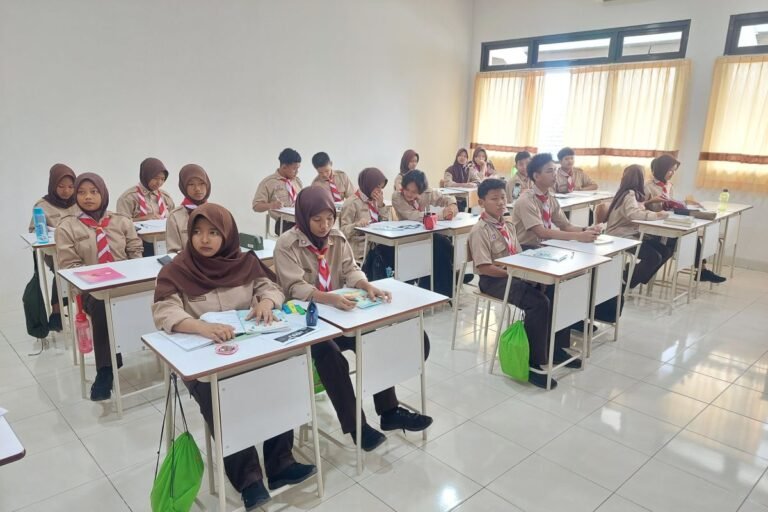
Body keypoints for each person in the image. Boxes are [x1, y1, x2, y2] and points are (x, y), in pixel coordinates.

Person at [152, 203, 316, 510]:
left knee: (281, 380)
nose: (204, 239)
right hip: (204, 359)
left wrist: (266, 302)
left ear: (227, 235)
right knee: (222, 397)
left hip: (248, 349)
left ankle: (281, 464)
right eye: (197, 232)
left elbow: (272, 287)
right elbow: (164, 311)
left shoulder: (245, 262)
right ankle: (249, 479)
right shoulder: (176, 270)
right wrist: (200, 326)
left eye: (214, 232)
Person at [274, 187, 433, 451]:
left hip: (340, 316)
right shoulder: (286, 244)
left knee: (373, 341)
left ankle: (389, 411)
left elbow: (350, 269)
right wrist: (329, 299)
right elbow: (294, 288)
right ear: (303, 217)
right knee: (331, 356)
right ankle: (357, 427)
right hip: (308, 323)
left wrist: (366, 285)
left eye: (329, 218)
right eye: (317, 220)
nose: (325, 226)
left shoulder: (336, 238)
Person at [469, 179, 577, 389]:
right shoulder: (480, 230)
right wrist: (516, 274)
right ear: (481, 202)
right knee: (538, 303)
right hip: (494, 279)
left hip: (514, 273)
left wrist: (528, 273)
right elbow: (484, 267)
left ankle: (554, 347)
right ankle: (532, 363)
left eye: (503, 197)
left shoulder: (508, 224)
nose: (501, 202)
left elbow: (517, 255)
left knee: (554, 288)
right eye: (494, 199)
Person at [56, 173, 143, 401]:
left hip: (125, 284)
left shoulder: (121, 221)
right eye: (82, 192)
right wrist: (98, 279)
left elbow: (135, 251)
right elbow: (69, 265)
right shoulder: (67, 227)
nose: (88, 197)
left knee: (155, 297)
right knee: (103, 305)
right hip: (90, 290)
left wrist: (133, 274)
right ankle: (105, 370)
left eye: (94, 192)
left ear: (103, 193)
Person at [645, 154, 726, 283]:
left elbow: (668, 204)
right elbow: (639, 207)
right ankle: (702, 271)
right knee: (678, 242)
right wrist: (651, 201)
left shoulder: (669, 185)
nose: (672, 173)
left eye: (674, 171)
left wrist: (682, 204)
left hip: (668, 222)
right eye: (670, 170)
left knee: (691, 235)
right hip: (654, 226)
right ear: (662, 169)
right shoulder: (647, 186)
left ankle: (702, 270)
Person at [392, 170, 464, 296]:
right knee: (439, 245)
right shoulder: (397, 197)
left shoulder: (426, 192)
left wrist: (452, 206)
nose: (409, 194)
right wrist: (442, 215)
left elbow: (446, 197)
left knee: (445, 244)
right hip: (408, 237)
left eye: (414, 192)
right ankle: (447, 283)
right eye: (407, 189)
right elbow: (414, 216)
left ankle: (449, 281)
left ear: (421, 190)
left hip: (425, 234)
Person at [28, 163, 80, 331]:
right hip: (55, 251)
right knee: (62, 269)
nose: (66, 191)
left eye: (71, 187)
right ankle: (57, 311)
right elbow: (33, 231)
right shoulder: (42, 205)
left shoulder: (79, 200)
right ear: (53, 185)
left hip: (79, 248)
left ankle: (79, 308)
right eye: (61, 186)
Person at [512, 153, 600, 249]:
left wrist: (586, 230)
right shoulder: (526, 200)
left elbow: (566, 226)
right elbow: (541, 232)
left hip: (544, 246)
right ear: (536, 176)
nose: (554, 174)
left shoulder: (550, 198)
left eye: (555, 170)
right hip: (525, 248)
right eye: (550, 171)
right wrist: (578, 236)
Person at [605, 165, 672, 288]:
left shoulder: (632, 193)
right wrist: (656, 215)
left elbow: (639, 210)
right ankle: (626, 283)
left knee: (665, 251)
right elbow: (634, 214)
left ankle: (630, 276)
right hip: (620, 236)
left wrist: (654, 213)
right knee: (654, 257)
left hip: (630, 233)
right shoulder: (629, 194)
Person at [116, 157, 175, 256]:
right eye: (155, 178)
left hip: (165, 243)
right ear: (146, 175)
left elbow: (173, 218)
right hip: (139, 245)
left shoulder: (165, 196)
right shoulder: (129, 197)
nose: (159, 183)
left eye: (162, 179)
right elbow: (120, 225)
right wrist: (143, 219)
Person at [339, 167, 390, 263]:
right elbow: (342, 231)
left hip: (377, 249)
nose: (379, 191)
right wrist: (356, 225)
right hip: (360, 254)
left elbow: (386, 225)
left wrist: (381, 206)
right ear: (369, 184)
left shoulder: (376, 200)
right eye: (377, 186)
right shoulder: (352, 203)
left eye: (381, 188)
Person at [252, 148, 304, 235]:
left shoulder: (297, 181)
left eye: (298, 168)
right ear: (284, 167)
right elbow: (256, 206)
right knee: (303, 234)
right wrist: (271, 205)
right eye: (294, 169)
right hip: (284, 223)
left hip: (301, 220)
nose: (297, 172)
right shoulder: (269, 183)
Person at [165, 164, 211, 253]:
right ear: (183, 187)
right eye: (191, 184)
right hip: (186, 261)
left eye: (201, 183)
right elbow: (173, 252)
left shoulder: (217, 213)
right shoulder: (175, 216)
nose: (197, 189)